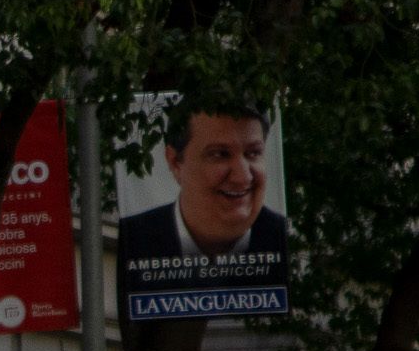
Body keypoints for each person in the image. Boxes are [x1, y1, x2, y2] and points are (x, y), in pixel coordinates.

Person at [116, 107, 291, 319]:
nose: (242, 177)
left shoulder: (280, 238)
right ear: (175, 162)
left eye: (253, 153)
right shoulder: (136, 238)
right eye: (220, 155)